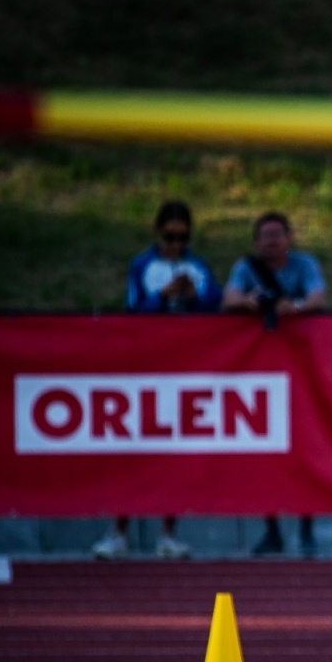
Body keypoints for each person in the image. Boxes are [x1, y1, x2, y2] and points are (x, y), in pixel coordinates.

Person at [94, 199, 221, 559]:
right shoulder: (143, 266)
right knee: (133, 447)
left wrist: (194, 296)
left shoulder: (198, 267)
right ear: (158, 233)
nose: (176, 245)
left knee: (176, 450)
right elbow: (131, 310)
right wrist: (161, 297)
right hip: (146, 365)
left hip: (185, 365)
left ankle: (169, 532)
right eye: (170, 237)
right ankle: (119, 530)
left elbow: (216, 306)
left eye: (183, 238)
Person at [223, 211, 329, 557]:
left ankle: (307, 529)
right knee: (263, 451)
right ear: (256, 242)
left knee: (307, 448)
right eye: (265, 236)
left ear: (289, 238)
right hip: (261, 375)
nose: (271, 241)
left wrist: (293, 308)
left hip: (302, 372)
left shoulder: (304, 265)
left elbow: (317, 298)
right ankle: (271, 530)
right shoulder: (246, 268)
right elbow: (228, 299)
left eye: (277, 234)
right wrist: (249, 303)